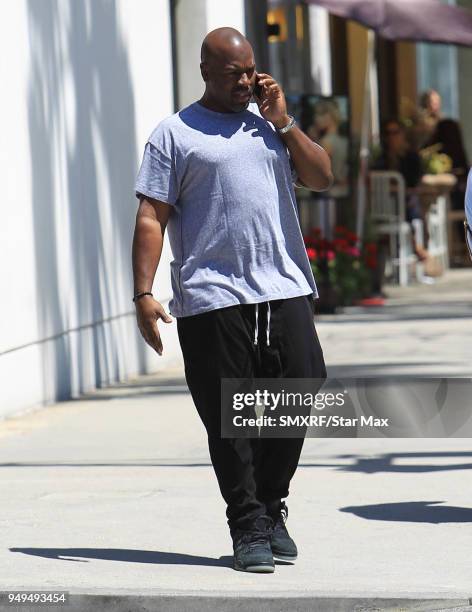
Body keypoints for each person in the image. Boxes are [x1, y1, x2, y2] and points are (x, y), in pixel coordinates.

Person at [131, 27, 333, 573]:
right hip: (211, 292)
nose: (244, 82)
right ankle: (248, 526)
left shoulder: (270, 128)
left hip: (284, 284)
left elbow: (320, 175)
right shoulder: (174, 134)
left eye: (249, 71)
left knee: (302, 386)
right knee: (230, 417)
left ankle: (269, 505)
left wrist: (285, 122)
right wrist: (144, 293)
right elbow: (152, 215)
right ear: (205, 72)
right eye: (231, 75)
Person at [372, 119, 429, 261]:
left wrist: (399, 188)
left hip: (406, 201)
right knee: (410, 204)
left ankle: (417, 244)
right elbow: (374, 179)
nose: (392, 137)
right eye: (388, 133)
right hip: (386, 206)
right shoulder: (382, 158)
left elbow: (414, 183)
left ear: (403, 134)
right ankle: (417, 245)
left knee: (411, 202)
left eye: (395, 132)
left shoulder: (412, 157)